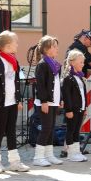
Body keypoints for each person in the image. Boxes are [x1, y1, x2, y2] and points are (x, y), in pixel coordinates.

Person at [0, 30, 30, 172]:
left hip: (12, 101)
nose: (17, 45)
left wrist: (18, 100)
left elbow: (16, 81)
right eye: (15, 42)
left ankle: (14, 161)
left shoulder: (13, 60)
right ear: (8, 45)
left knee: (12, 130)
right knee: (0, 130)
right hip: (1, 101)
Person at [33, 35, 63, 167]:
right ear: (46, 49)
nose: (57, 49)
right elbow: (40, 85)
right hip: (45, 102)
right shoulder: (43, 64)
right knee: (45, 129)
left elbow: (57, 84)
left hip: (53, 101)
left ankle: (49, 155)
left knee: (51, 128)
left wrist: (60, 99)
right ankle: (38, 157)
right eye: (54, 46)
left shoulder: (55, 64)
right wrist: (44, 101)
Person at [62, 49, 88, 162]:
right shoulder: (68, 78)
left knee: (77, 130)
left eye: (83, 62)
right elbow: (66, 96)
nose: (83, 65)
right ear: (72, 63)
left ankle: (76, 151)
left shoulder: (80, 77)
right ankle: (71, 153)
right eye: (81, 62)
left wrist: (85, 107)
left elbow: (83, 94)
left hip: (80, 108)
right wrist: (68, 110)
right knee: (71, 130)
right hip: (72, 110)